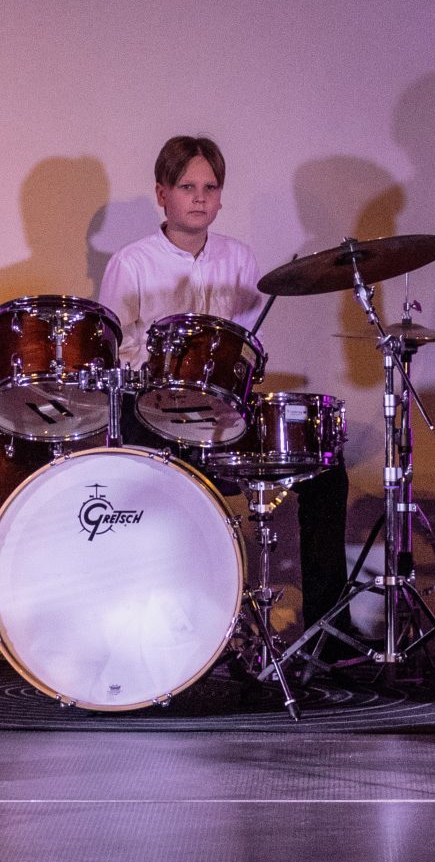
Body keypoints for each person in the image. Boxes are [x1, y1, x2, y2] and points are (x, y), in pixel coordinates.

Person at [98, 136, 348, 638]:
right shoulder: (132, 262)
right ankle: (172, 624)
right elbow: (112, 351)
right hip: (155, 415)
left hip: (222, 419)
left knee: (325, 469)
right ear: (162, 194)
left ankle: (326, 632)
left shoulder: (239, 258)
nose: (199, 198)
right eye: (186, 187)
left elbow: (247, 346)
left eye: (210, 188)